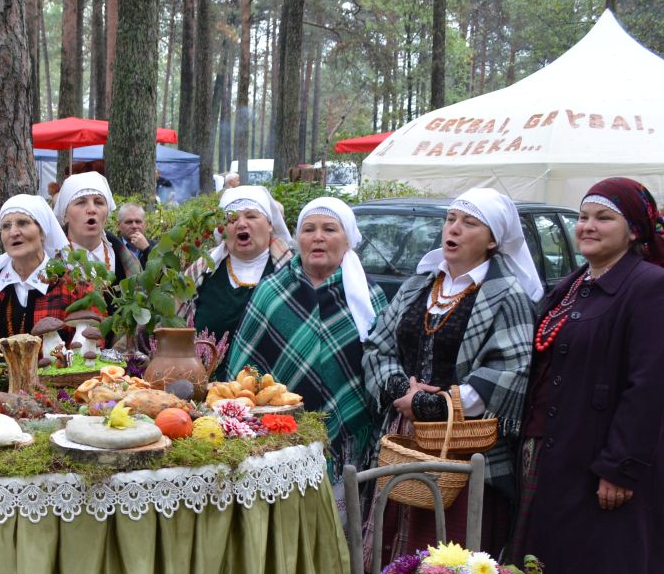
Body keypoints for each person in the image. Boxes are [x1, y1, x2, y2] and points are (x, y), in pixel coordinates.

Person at [512, 178, 664, 574]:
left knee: (601, 566)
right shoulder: (573, 286)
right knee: (555, 564)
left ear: (634, 231)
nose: (587, 227)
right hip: (558, 450)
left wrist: (620, 466)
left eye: (603, 218)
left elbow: (652, 387)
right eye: (584, 216)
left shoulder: (653, 289)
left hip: (604, 457)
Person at [362, 188, 540, 554]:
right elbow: (377, 346)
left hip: (464, 444)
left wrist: (436, 405)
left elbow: (510, 370)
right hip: (403, 441)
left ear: (493, 240)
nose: (454, 229)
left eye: (469, 223)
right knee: (392, 546)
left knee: (449, 556)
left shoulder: (508, 295)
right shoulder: (418, 286)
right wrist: (401, 390)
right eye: (450, 219)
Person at [224, 197, 383, 474]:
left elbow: (382, 367)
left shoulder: (368, 297)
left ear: (348, 239)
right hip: (275, 442)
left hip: (347, 441)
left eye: (329, 229)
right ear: (298, 239)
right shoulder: (271, 291)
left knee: (340, 501)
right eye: (309, 229)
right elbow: (244, 373)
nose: (318, 237)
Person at [195, 186, 291, 377]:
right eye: (232, 219)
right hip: (209, 390)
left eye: (251, 216)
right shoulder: (200, 273)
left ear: (270, 224)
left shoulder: (292, 275)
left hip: (275, 390)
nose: (241, 224)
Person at [0, 195, 75, 340]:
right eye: (6, 226)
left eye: (23, 223)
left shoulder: (72, 289)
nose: (13, 233)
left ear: (42, 231)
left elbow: (90, 348)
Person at [52, 172, 142, 288]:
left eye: (99, 202)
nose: (92, 209)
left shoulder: (127, 260)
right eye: (81, 202)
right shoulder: (51, 262)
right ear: (65, 215)